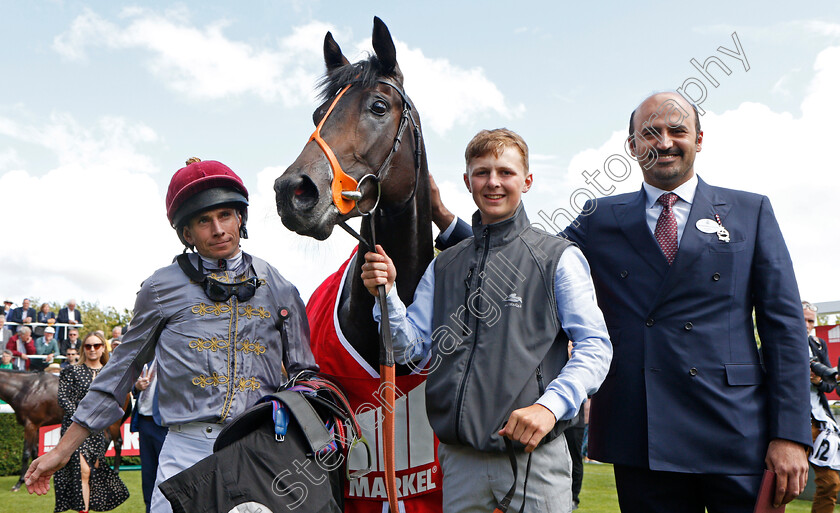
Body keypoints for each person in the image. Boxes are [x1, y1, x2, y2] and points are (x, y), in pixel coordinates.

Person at [437, 93, 811, 512]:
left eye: (677, 131)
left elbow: (785, 330)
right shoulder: (599, 218)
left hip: (738, 430)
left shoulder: (750, 211)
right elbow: (526, 260)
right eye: (650, 133)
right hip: (642, 433)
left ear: (699, 139)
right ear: (632, 145)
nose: (664, 142)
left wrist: (791, 434)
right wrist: (445, 221)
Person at [26, 158, 318, 513]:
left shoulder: (280, 287)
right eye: (203, 220)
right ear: (187, 234)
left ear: (240, 218)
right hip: (186, 451)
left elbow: (306, 377)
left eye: (225, 215)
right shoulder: (160, 288)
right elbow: (119, 374)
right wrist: (62, 450)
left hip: (258, 451)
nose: (218, 229)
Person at [361, 129, 612, 513]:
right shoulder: (443, 264)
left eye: (505, 172)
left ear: (527, 181)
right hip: (460, 463)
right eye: (481, 172)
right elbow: (409, 350)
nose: (493, 182)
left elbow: (596, 347)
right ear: (467, 181)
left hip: (535, 460)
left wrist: (550, 407)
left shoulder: (558, 257)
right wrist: (388, 295)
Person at [53, 332, 129, 513]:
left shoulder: (110, 374)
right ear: (83, 349)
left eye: (96, 345)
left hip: (98, 431)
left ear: (103, 348)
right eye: (88, 346)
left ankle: (86, 507)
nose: (92, 349)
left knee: (91, 473)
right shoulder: (71, 371)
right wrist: (83, 418)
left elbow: (116, 402)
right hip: (74, 428)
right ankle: (83, 510)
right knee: (83, 471)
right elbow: (63, 398)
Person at [804, 300, 840, 513]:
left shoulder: (818, 344)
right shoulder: (775, 344)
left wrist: (817, 380)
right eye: (803, 319)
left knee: (831, 483)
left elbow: (830, 384)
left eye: (811, 321)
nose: (807, 325)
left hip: (820, 422)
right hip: (790, 420)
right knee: (781, 481)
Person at [130, 360, 167, 513]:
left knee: (164, 473)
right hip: (144, 422)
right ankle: (149, 509)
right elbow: (134, 388)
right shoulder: (148, 362)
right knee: (148, 473)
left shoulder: (172, 362)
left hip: (163, 425)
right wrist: (136, 387)